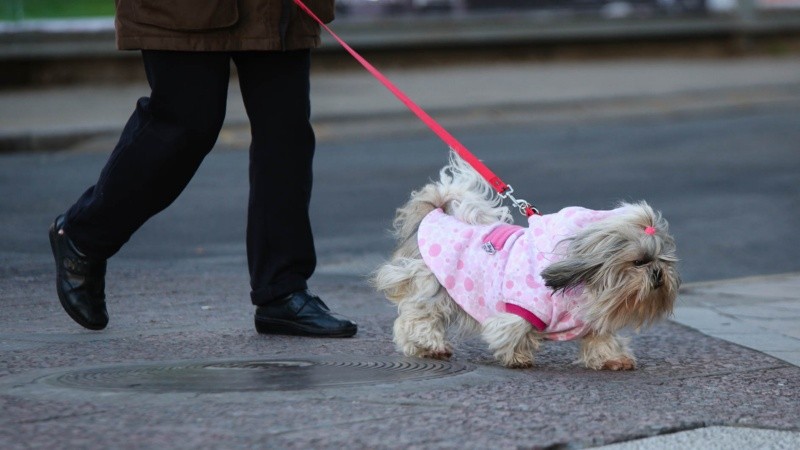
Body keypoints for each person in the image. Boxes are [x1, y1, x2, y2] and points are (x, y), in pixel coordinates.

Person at [48, 0, 357, 337]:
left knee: (286, 131)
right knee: (186, 125)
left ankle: (283, 290)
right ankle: (85, 236)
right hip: (187, 8)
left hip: (276, 8)